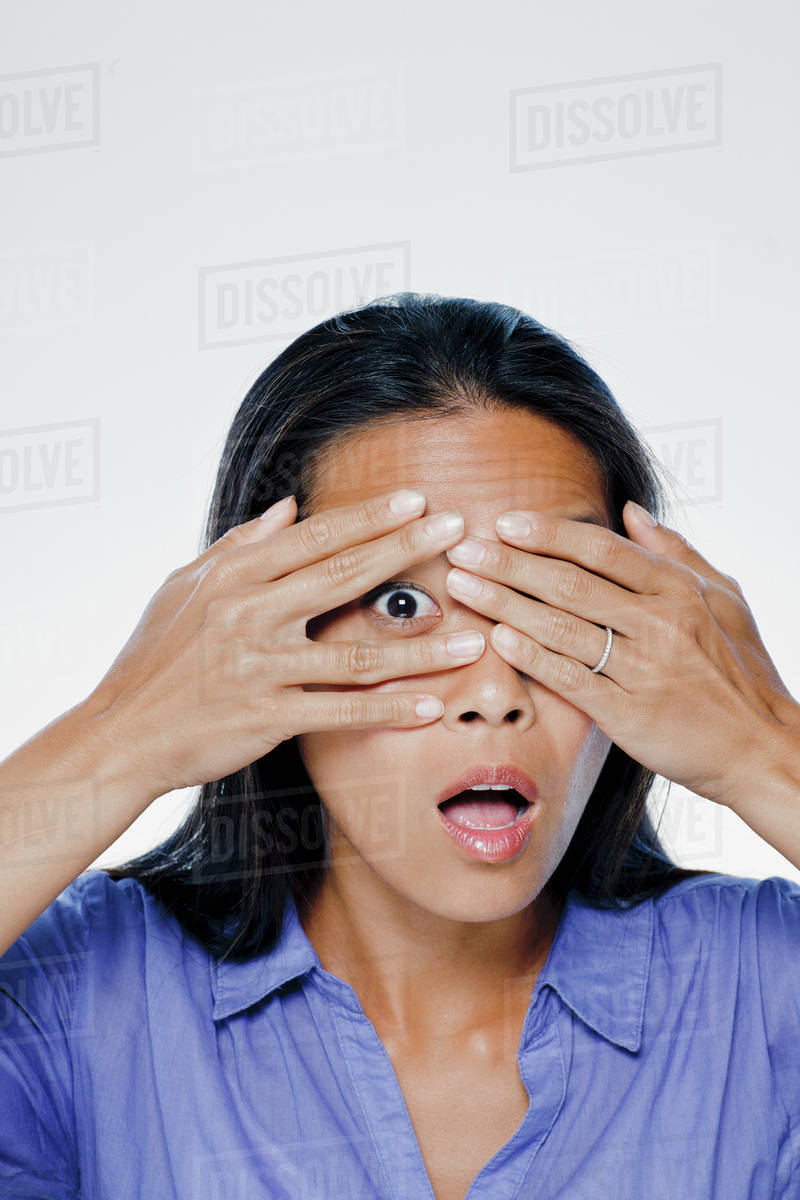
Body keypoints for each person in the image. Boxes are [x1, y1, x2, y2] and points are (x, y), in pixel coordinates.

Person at [1, 293, 799, 1200]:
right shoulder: (77, 999)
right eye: (401, 604)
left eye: (554, 602)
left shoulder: (767, 993)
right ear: (256, 634)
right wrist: (118, 734)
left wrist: (765, 748)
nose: (495, 696)